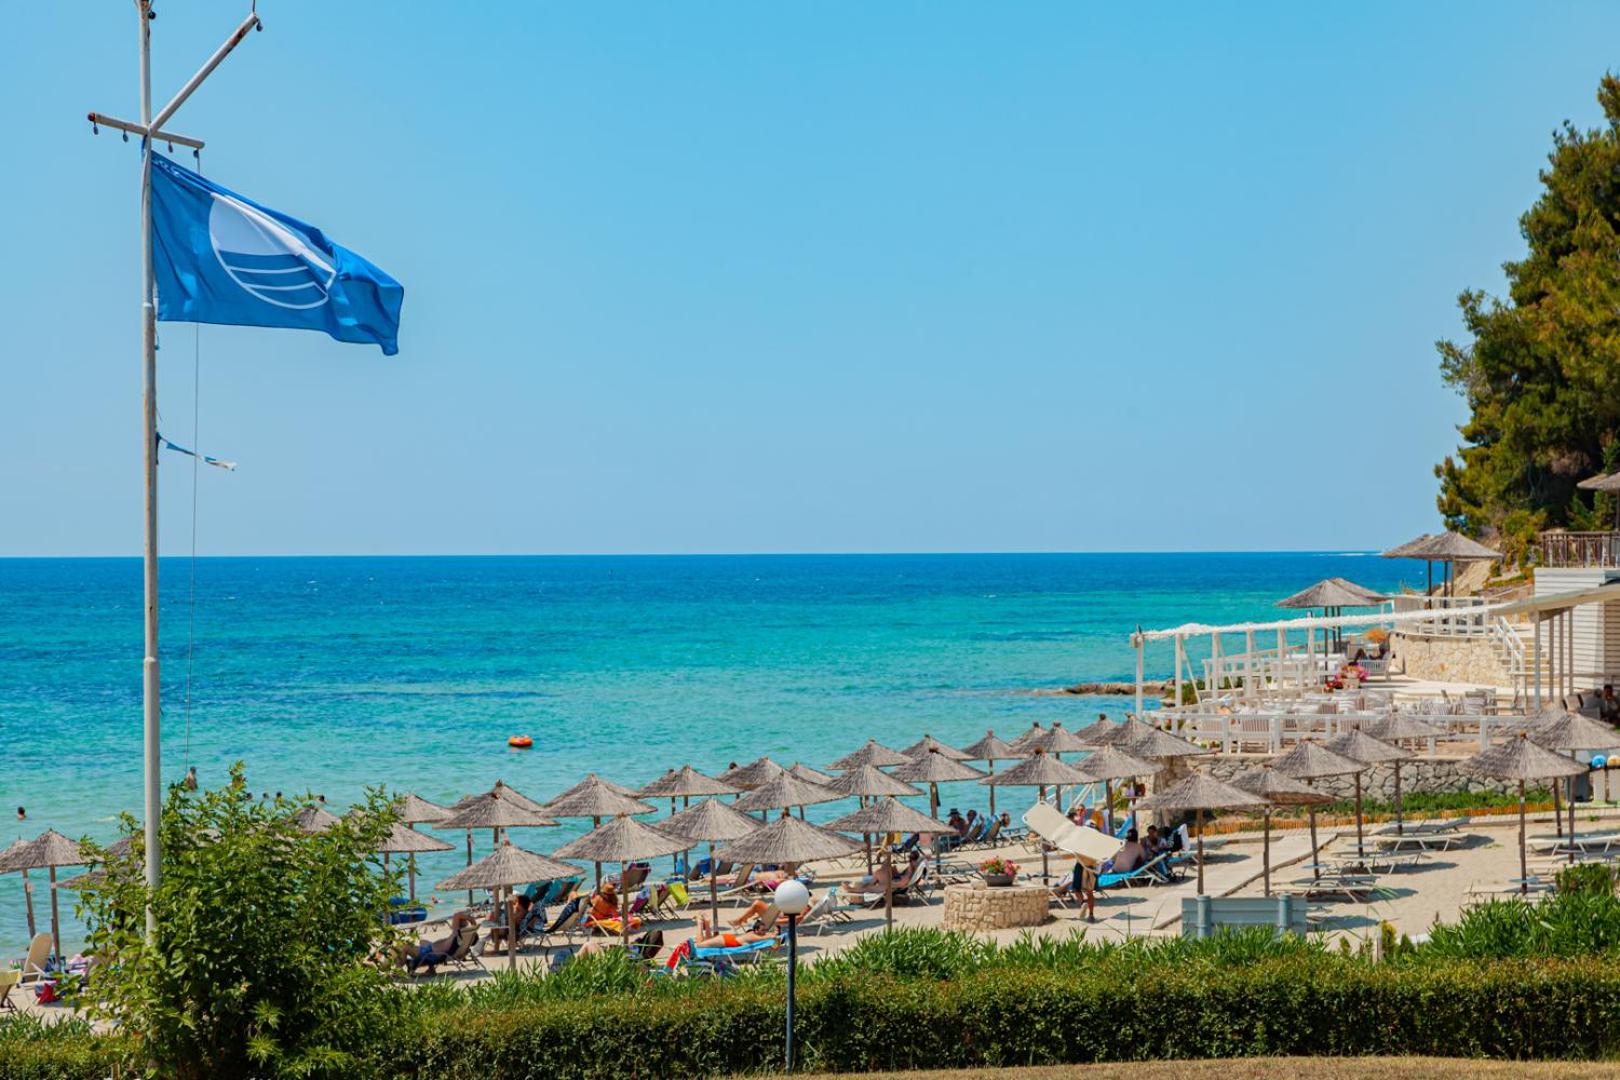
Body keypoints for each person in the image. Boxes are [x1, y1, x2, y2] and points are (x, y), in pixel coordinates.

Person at [407, 911, 478, 975]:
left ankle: (412, 964)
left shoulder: (456, 933)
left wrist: (471, 919)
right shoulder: (463, 936)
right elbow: (458, 916)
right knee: (423, 941)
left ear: (458, 923)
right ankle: (430, 968)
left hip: (433, 954)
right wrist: (472, 922)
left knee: (406, 948)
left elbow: (456, 915)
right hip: (441, 952)